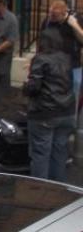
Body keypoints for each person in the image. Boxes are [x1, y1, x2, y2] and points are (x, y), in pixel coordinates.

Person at [23, 28, 76, 182]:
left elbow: (34, 87)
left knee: (40, 154)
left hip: (45, 113)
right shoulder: (66, 58)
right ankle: (58, 192)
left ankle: (40, 192)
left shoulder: (41, 59)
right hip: (66, 112)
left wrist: (25, 86)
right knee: (59, 155)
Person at [41, 0, 83, 105]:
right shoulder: (48, 21)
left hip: (72, 65)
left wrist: (74, 25)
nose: (51, 17)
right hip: (53, 66)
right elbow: (42, 43)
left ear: (64, 14)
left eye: (54, 15)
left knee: (74, 96)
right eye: (50, 13)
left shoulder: (75, 19)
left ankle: (72, 118)